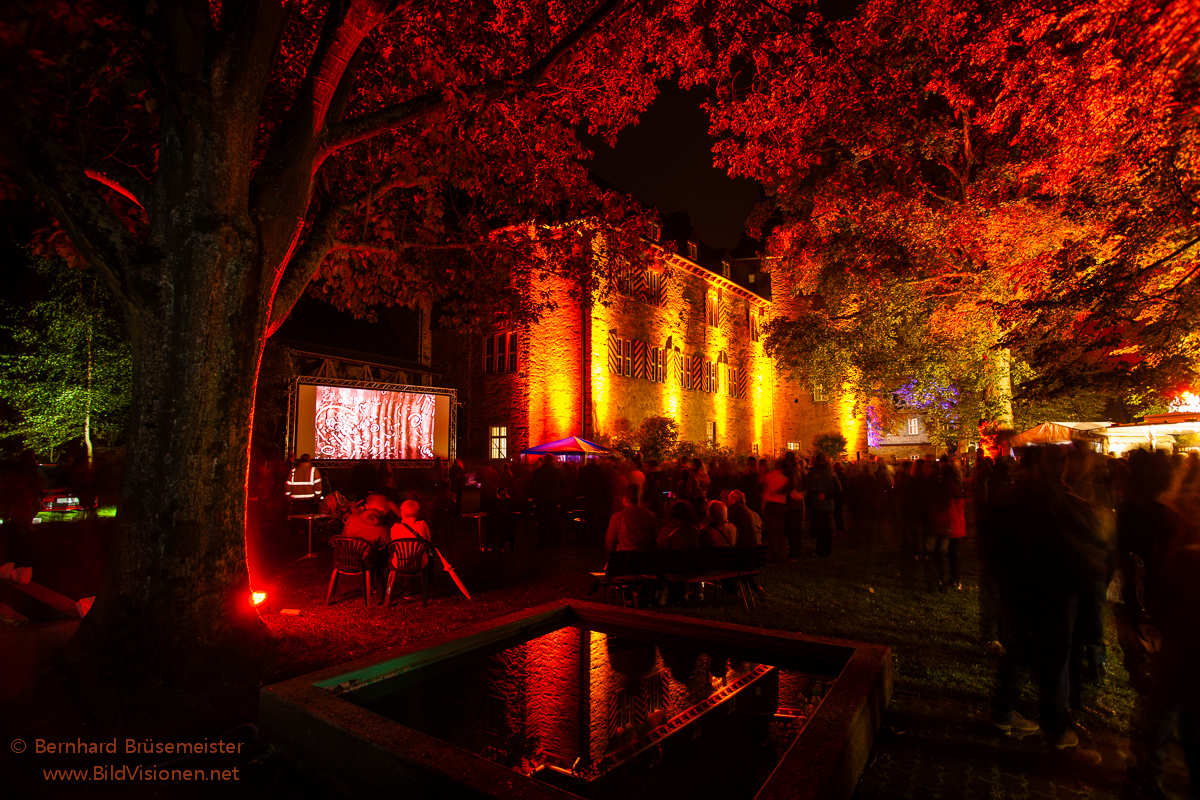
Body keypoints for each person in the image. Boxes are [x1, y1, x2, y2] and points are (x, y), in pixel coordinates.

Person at [605, 484, 658, 553]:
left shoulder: (617, 517)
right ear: (641, 499)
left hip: (625, 558)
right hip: (646, 559)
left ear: (626, 498)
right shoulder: (651, 516)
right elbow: (656, 539)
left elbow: (610, 544)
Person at [806, 454, 841, 557]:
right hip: (828, 504)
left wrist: (812, 501)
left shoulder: (813, 474)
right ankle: (827, 550)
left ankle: (821, 551)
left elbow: (810, 489)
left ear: (816, 460)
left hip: (817, 504)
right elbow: (838, 490)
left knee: (820, 528)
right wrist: (827, 496)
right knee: (827, 527)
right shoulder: (833, 473)